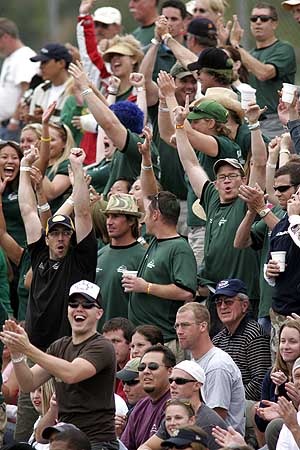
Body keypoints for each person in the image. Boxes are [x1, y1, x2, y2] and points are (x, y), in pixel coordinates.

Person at [0, 279, 117, 450]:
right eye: (73, 303)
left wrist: (27, 347)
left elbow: (72, 374)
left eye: (87, 304)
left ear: (99, 313)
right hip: (64, 437)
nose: (79, 308)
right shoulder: (59, 345)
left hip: (96, 441)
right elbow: (28, 383)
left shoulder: (102, 346)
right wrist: (17, 355)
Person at [175, 303, 245, 434]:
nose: (179, 331)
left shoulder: (217, 365)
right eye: (177, 326)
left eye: (185, 325)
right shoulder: (193, 362)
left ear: (203, 326)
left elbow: (215, 420)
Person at [230, 3, 296, 138]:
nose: (258, 22)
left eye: (264, 18)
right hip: (251, 120)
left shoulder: (284, 48)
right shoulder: (250, 54)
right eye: (254, 19)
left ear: (274, 24)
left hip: (277, 120)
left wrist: (236, 46)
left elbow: (264, 73)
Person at [139, 359, 227, 450]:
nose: (172, 385)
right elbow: (147, 446)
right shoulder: (173, 416)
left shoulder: (208, 423)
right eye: (170, 380)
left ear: (196, 385)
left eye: (179, 381)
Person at [212, 278, 271, 401]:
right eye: (218, 303)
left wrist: (228, 400)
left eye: (228, 302)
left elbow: (260, 383)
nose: (222, 307)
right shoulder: (217, 339)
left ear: (244, 305)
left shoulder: (254, 335)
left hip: (246, 406)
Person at [96, 193, 146, 328]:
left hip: (127, 339)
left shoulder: (143, 256)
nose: (109, 222)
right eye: (108, 216)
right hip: (98, 337)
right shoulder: (99, 254)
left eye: (116, 216)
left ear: (131, 221)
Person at [254, 319, 300, 448]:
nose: (285, 346)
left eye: (293, 342)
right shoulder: (272, 374)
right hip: (278, 437)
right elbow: (261, 424)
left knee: (275, 426)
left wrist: (286, 387)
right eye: (282, 341)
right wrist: (263, 413)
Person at [120, 344, 175, 450]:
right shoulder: (140, 406)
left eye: (153, 367)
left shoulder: (177, 406)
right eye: (141, 367)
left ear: (170, 372)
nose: (145, 371)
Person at [0, 18, 37, 140]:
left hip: (14, 126)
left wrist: (14, 121)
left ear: (5, 37)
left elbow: (26, 90)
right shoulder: (10, 58)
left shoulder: (24, 57)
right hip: (5, 124)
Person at [29, 43, 72, 123]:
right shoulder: (39, 90)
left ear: (61, 63)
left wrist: (44, 121)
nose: (40, 67)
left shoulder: (75, 91)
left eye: (44, 62)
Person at [102, 317, 135, 401]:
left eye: (115, 341)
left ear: (130, 344)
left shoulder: (137, 369)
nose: (109, 347)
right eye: (106, 342)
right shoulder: (107, 366)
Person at [115, 358, 147, 437]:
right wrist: (122, 432)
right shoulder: (127, 410)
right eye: (123, 382)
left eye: (131, 382)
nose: (125, 389)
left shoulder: (164, 408)